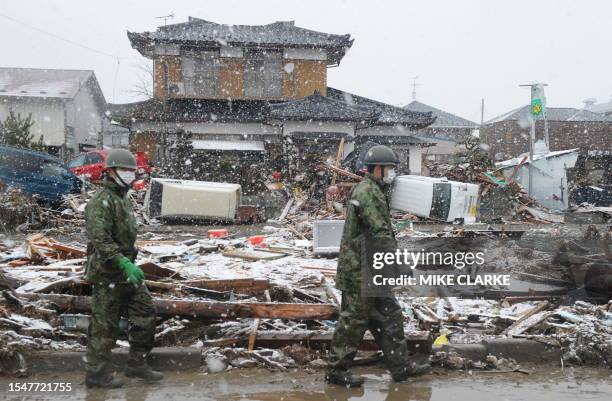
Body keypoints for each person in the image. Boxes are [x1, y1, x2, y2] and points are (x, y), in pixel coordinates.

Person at [326, 145, 430, 387]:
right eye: (390, 168)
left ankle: (400, 367)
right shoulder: (368, 193)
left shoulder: (374, 189)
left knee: (389, 315)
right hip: (360, 271)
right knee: (353, 320)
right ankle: (337, 371)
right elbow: (380, 233)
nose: (392, 173)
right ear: (378, 169)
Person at [84, 149, 163, 388]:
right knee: (104, 325)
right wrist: (122, 261)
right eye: (124, 170)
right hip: (108, 272)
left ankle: (136, 363)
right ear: (110, 172)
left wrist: (130, 262)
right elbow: (100, 239)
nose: (130, 174)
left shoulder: (122, 199)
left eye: (132, 170)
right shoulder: (101, 202)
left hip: (127, 273)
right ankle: (97, 375)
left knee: (145, 313)